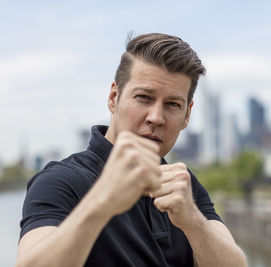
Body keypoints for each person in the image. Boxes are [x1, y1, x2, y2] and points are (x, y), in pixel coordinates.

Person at [16, 33, 247, 267]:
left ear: (187, 115)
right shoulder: (61, 180)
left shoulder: (184, 185)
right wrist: (101, 203)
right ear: (114, 97)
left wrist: (194, 223)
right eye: (144, 98)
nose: (156, 117)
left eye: (172, 104)